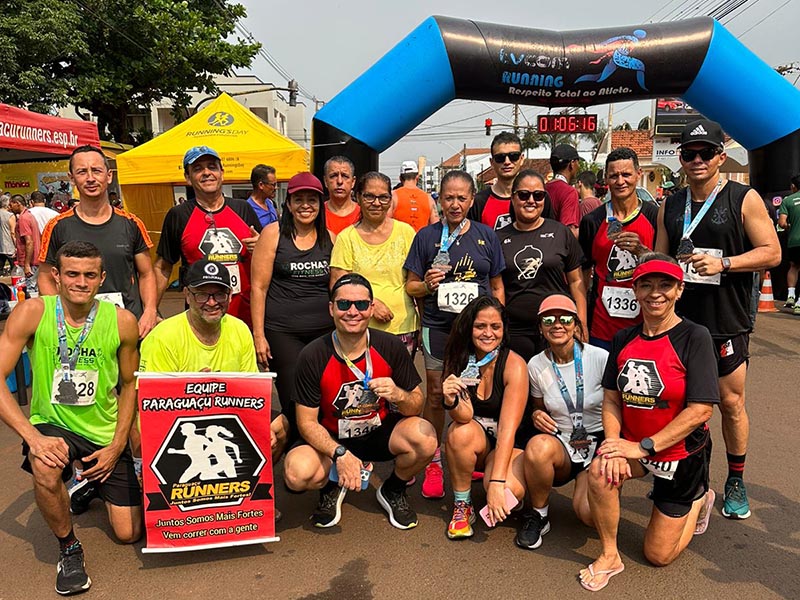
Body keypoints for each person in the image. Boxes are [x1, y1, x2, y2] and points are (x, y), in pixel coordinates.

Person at [0, 241, 141, 596]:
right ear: (56, 277)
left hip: (103, 428)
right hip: (53, 424)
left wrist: (117, 444)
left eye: (90, 275)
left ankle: (85, 483)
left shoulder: (122, 322)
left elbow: (129, 385)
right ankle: (69, 548)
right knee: (45, 467)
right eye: (72, 274)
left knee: (128, 534)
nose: (81, 282)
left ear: (102, 278)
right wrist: (32, 437)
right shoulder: (32, 312)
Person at [656, 119, 780, 520]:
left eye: (705, 153)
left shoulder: (744, 198)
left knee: (729, 402)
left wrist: (723, 263)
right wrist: (643, 254)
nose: (696, 160)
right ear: (681, 158)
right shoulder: (670, 204)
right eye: (689, 153)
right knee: (682, 403)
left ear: (720, 157)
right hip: (680, 322)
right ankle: (696, 483)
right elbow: (660, 259)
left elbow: (772, 252)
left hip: (726, 321)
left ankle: (737, 479)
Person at [578, 254, 718, 592]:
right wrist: (613, 446)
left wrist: (644, 447)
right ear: (635, 291)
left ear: (680, 290)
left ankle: (699, 497)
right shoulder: (624, 338)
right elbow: (611, 398)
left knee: (658, 554)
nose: (656, 293)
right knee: (594, 488)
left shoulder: (694, 337)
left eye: (666, 285)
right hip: (634, 445)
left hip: (679, 455)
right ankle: (610, 556)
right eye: (646, 284)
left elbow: (701, 410)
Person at [283, 274, 437, 529]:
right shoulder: (312, 354)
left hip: (378, 431)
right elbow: (306, 423)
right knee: (296, 474)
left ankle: (393, 489)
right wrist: (339, 454)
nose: (352, 311)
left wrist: (398, 394)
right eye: (344, 304)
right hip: (332, 437)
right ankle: (332, 484)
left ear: (372, 308)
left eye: (361, 305)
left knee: (426, 437)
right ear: (331, 308)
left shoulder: (390, 346)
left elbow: (416, 405)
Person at [404, 170, 505, 499]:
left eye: (462, 198)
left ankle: (469, 451)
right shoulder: (426, 237)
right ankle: (434, 458)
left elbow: (498, 286)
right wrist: (427, 284)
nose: (455, 204)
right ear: (439, 198)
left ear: (472, 199)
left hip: (478, 332)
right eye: (449, 197)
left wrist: (496, 323)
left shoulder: (486, 235)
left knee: (473, 392)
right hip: (438, 326)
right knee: (436, 394)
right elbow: (411, 285)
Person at [250, 172, 335, 460]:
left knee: (322, 394)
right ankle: (302, 455)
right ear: (288, 203)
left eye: (312, 199)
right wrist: (259, 336)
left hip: (323, 332)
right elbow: (259, 287)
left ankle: (306, 449)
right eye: (299, 199)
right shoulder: (273, 234)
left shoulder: (330, 238)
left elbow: (336, 287)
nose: (306, 205)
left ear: (320, 204)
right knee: (294, 396)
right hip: (282, 331)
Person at [38, 145, 159, 339]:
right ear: (72, 179)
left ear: (108, 176)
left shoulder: (131, 224)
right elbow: (45, 277)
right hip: (77, 328)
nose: (90, 178)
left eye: (96, 170)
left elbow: (146, 274)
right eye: (82, 172)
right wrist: (59, 318)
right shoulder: (58, 226)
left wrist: (150, 311)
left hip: (128, 326)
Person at [440, 296, 528, 539]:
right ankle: (462, 505)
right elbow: (464, 415)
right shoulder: (458, 357)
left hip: (511, 445)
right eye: (480, 326)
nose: (488, 333)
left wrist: (498, 483)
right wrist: (450, 400)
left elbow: (509, 431)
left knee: (503, 490)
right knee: (458, 433)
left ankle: (504, 483)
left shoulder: (514, 365)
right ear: (470, 328)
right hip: (480, 442)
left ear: (503, 329)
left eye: (495, 327)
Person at [523, 294, 607, 549]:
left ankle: (601, 489)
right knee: (537, 447)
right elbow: (538, 407)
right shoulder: (536, 365)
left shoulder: (600, 357)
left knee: (590, 516)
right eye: (548, 319)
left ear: (576, 325)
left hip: (598, 440)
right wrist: (536, 415)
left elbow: (618, 406)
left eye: (565, 319)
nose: (557, 325)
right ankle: (539, 514)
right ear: (540, 327)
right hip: (563, 442)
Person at [154, 145, 261, 327]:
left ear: (222, 173)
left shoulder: (243, 208)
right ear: (187, 178)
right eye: (197, 169)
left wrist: (261, 246)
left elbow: (265, 259)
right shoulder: (179, 215)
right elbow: (162, 267)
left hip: (245, 316)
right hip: (201, 316)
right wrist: (151, 310)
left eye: (212, 167)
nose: (206, 173)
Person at [497, 169, 586, 361]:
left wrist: (581, 324)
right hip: (516, 330)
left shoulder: (561, 232)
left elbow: (576, 281)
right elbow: (497, 288)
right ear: (513, 198)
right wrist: (499, 327)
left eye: (538, 195)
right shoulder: (498, 238)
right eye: (523, 195)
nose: (531, 200)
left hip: (557, 327)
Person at [580, 147, 659, 351]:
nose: (620, 181)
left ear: (638, 174)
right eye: (614, 176)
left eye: (626, 174)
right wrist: (582, 322)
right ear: (606, 179)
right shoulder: (592, 221)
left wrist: (642, 252)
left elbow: (666, 267)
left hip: (646, 324)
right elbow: (582, 275)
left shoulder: (655, 216)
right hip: (601, 327)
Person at [331, 171, 418, 352]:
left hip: (403, 326)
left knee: (401, 381)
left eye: (383, 197)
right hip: (359, 330)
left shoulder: (406, 233)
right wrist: (372, 305)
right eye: (369, 196)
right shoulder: (346, 238)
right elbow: (337, 285)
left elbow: (415, 282)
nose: (376, 203)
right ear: (358, 197)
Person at [467, 131, 526, 230]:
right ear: (492, 162)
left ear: (522, 159)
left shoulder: (536, 198)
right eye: (500, 158)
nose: (507, 162)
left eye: (513, 156)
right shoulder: (478, 202)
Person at [391, 161, 439, 232]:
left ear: (400, 178)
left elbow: (384, 222)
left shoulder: (393, 196)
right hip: (422, 241)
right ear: (417, 177)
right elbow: (436, 226)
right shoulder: (428, 199)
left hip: (399, 242)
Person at [545, 144, 582, 236]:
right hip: (559, 247)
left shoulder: (542, 188)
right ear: (572, 164)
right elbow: (569, 231)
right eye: (578, 162)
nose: (579, 166)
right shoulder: (569, 192)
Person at [9, 194, 42, 297]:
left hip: (31, 262)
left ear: (18, 204)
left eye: (11, 205)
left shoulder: (24, 219)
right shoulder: (29, 216)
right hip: (34, 260)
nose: (10, 208)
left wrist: (27, 264)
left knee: (30, 291)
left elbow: (29, 241)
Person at [778, 174, 800, 314]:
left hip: (794, 241)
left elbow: (781, 223)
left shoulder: (788, 200)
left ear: (793, 186)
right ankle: (799, 303)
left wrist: (789, 226)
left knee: (794, 266)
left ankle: (791, 296)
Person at [323, 156, 360, 234]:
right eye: (333, 176)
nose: (339, 181)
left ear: (353, 182)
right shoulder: (317, 214)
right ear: (326, 181)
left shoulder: (363, 215)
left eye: (345, 176)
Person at [0, 195, 14, 275]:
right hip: (9, 246)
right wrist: (16, 246)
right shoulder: (10, 216)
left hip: (1, 246)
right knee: (14, 269)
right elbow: (12, 232)